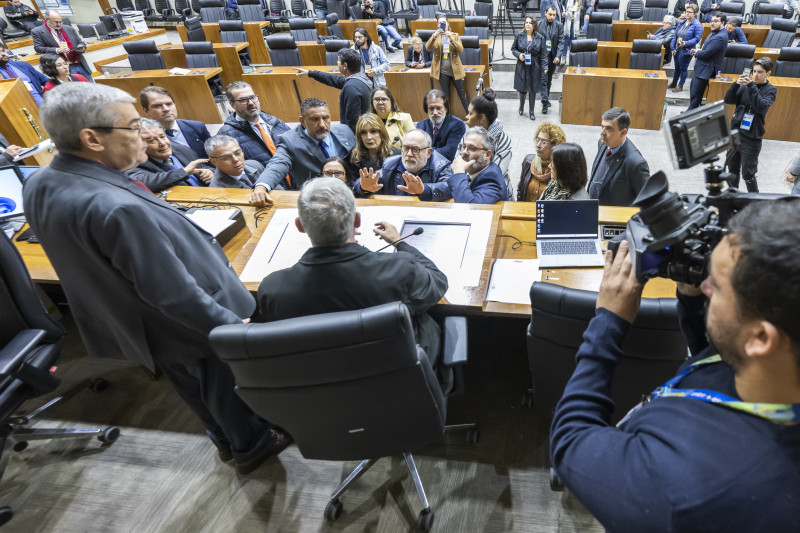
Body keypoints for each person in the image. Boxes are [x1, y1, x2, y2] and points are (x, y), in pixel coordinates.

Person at [23, 83, 291, 476]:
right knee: (223, 385)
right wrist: (234, 328)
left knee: (194, 388)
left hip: (138, 322)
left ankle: (223, 440)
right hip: (189, 320)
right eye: (133, 127)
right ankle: (251, 446)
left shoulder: (42, 181)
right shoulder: (115, 207)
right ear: (91, 138)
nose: (145, 137)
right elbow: (172, 292)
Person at [550, 198, 800, 532]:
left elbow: (570, 440)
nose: (706, 283)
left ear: (760, 337)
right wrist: (693, 299)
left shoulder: (683, 489)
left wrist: (608, 321)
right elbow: (715, 361)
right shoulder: (773, 363)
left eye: (719, 285)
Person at [257, 177, 448, 367]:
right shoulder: (401, 269)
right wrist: (400, 243)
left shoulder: (271, 290)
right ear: (357, 220)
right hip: (397, 383)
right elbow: (438, 282)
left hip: (318, 386)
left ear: (300, 225)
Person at [250, 98, 356, 206]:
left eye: (325, 118)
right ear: (302, 121)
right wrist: (261, 187)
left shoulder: (344, 131)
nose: (322, 125)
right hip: (316, 201)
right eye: (315, 119)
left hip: (350, 195)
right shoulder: (290, 141)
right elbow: (277, 165)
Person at [723, 57, 776, 193]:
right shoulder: (743, 86)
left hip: (751, 138)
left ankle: (754, 202)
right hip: (735, 133)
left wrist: (751, 86)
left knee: (748, 174)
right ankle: (733, 197)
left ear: (768, 73)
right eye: (754, 71)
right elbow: (728, 100)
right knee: (732, 169)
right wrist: (735, 84)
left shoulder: (771, 90)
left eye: (760, 72)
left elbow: (760, 106)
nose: (755, 75)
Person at [356, 129, 452, 201]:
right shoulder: (391, 164)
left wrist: (424, 190)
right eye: (406, 148)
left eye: (415, 149)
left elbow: (449, 187)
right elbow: (366, 182)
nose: (409, 154)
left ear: (429, 153)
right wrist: (363, 187)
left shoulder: (441, 166)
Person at [295, 48, 372, 132]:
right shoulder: (359, 78)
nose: (337, 63)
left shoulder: (351, 88)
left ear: (345, 65)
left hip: (355, 135)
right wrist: (310, 73)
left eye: (338, 61)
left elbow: (353, 120)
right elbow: (334, 79)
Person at [126, 118, 213, 192]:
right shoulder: (135, 164)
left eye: (162, 136)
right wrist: (184, 172)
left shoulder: (183, 150)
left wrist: (210, 172)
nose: (162, 143)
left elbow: (204, 167)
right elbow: (143, 182)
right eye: (152, 140)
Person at [587, 107, 649, 206]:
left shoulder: (635, 163)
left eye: (609, 128)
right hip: (592, 210)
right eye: (602, 126)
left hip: (612, 218)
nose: (602, 132)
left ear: (623, 132)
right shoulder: (603, 143)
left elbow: (646, 201)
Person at [218, 81, 290, 167]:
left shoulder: (273, 121)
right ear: (232, 104)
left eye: (252, 97)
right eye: (243, 100)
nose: (251, 103)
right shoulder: (226, 135)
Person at [462, 89, 513, 200]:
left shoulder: (503, 141)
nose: (466, 117)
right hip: (466, 187)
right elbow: (458, 162)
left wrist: (461, 175)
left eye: (470, 114)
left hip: (493, 194)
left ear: (482, 118)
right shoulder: (467, 135)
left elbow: (496, 173)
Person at [141, 86, 212, 160]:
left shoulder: (197, 127)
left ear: (174, 105)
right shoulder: (145, 137)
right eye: (157, 106)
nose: (166, 109)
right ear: (146, 111)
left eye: (169, 104)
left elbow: (213, 155)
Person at [446, 126, 508, 205]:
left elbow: (471, 210)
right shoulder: (470, 168)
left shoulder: (491, 178)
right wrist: (427, 189)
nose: (464, 152)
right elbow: (448, 187)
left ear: (487, 155)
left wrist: (458, 173)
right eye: (463, 147)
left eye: (472, 148)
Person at [32, 10, 92, 82]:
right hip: (63, 68)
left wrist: (82, 48)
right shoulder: (37, 31)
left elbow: (80, 42)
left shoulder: (68, 28)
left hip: (80, 64)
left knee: (92, 88)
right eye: (56, 22)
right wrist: (56, 50)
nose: (59, 24)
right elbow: (38, 48)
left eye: (60, 21)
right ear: (47, 20)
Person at [426, 16, 469, 115]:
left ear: (448, 24)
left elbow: (460, 49)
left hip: (455, 70)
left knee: (462, 95)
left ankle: (469, 115)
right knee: (446, 97)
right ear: (437, 25)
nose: (442, 24)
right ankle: (447, 117)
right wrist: (434, 35)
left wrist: (451, 38)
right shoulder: (436, 37)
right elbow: (428, 47)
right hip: (442, 71)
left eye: (444, 22)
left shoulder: (455, 35)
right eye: (440, 23)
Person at [687, 12, 728, 110]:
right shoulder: (716, 32)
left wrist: (696, 53)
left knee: (696, 96)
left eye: (716, 21)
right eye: (711, 21)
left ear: (722, 23)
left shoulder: (720, 37)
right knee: (694, 95)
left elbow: (706, 54)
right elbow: (706, 50)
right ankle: (691, 113)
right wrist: (699, 50)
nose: (712, 23)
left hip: (705, 71)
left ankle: (688, 117)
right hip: (702, 68)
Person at [518, 122, 567, 202]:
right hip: (525, 212)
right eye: (538, 140)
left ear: (554, 145)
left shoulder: (558, 168)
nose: (538, 145)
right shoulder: (528, 162)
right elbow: (520, 189)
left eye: (544, 142)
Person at [512, 16, 549, 120]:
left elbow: (544, 54)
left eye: (530, 23)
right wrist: (519, 55)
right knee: (522, 89)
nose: (527, 24)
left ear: (534, 25)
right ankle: (521, 106)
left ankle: (531, 111)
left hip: (535, 66)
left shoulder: (540, 37)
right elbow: (513, 48)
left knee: (532, 89)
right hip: (522, 65)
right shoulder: (519, 35)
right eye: (526, 22)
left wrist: (545, 66)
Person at [415, 89, 466, 162]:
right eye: (431, 108)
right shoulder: (420, 125)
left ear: (446, 109)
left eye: (439, 108)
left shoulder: (457, 124)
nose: (435, 112)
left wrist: (424, 151)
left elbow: (449, 153)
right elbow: (416, 150)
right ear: (427, 109)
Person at [348, 112, 399, 183]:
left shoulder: (396, 155)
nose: (368, 137)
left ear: (381, 133)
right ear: (360, 136)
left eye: (373, 131)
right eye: (364, 132)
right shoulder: (353, 155)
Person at [668, 4, 702, 92]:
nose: (687, 14)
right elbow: (675, 35)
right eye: (687, 12)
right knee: (677, 67)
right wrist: (672, 48)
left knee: (683, 68)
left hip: (687, 51)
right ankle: (674, 82)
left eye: (690, 12)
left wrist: (686, 43)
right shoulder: (681, 22)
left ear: (695, 14)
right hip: (677, 49)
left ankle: (680, 85)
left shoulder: (697, 25)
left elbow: (697, 39)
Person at [538, 6, 566, 114]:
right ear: (545, 13)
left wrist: (558, 56)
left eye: (554, 15)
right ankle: (544, 103)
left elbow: (561, 42)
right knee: (544, 80)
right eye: (550, 14)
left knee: (549, 79)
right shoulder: (539, 24)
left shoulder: (559, 25)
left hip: (553, 57)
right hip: (542, 57)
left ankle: (546, 98)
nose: (552, 17)